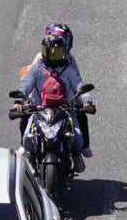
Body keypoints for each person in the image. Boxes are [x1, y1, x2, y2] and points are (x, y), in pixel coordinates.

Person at [14, 33, 91, 173]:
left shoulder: (69, 69)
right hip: (39, 110)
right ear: (44, 52)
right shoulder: (37, 69)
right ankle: (31, 157)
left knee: (78, 136)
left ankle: (77, 155)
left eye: (58, 53)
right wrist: (19, 100)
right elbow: (26, 84)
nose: (54, 57)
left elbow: (79, 85)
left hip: (65, 110)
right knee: (27, 137)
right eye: (52, 53)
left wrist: (86, 100)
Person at [27, 22, 94, 158]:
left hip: (65, 101)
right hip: (42, 101)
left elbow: (77, 81)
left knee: (81, 117)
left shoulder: (70, 60)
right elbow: (30, 78)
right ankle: (25, 146)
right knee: (26, 118)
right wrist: (26, 99)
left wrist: (83, 99)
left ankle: (84, 147)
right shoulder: (40, 58)